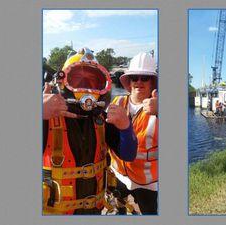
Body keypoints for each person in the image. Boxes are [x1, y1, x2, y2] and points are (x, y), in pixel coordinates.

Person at [42, 47, 138, 215]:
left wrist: (125, 127)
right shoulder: (47, 117)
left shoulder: (102, 119)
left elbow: (129, 155)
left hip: (94, 210)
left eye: (93, 81)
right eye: (78, 79)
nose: (86, 87)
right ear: (63, 81)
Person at [108, 52, 159, 215]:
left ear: (153, 83)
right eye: (134, 77)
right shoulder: (117, 102)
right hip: (119, 175)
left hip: (147, 183)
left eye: (145, 78)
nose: (139, 81)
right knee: (119, 207)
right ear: (129, 82)